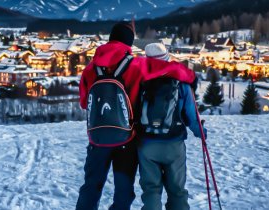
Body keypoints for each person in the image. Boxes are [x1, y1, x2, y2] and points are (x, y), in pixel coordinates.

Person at [76, 22, 196, 210]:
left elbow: (84, 103)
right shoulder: (137, 65)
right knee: (123, 191)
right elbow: (168, 69)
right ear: (129, 43)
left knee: (91, 186)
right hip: (127, 139)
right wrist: (189, 76)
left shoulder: (90, 69)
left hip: (97, 139)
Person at [138, 43, 207, 210]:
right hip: (173, 143)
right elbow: (191, 114)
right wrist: (201, 132)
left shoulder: (140, 79)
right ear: (166, 57)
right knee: (177, 191)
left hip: (146, 144)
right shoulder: (181, 81)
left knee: (151, 191)